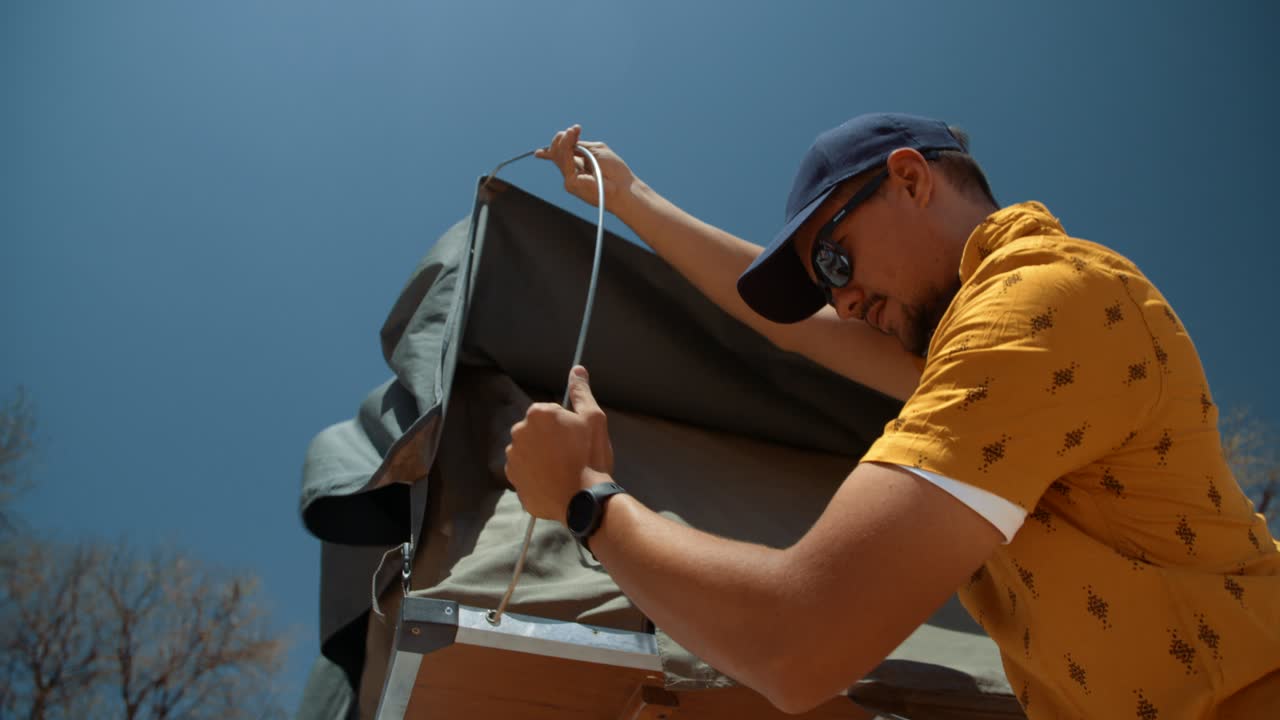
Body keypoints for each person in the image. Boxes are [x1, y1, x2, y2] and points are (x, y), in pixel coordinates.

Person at [502, 114, 1280, 718]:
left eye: (836, 261)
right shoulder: (989, 331)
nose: (841, 300)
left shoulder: (1028, 314)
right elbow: (795, 328)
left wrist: (587, 499)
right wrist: (629, 194)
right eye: (824, 285)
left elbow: (796, 645)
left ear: (909, 180)